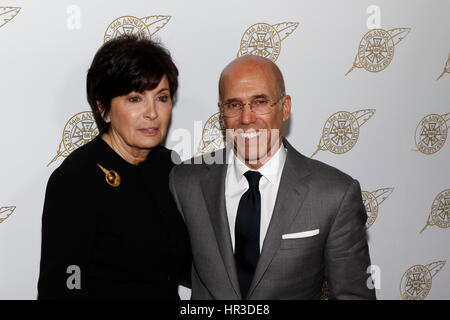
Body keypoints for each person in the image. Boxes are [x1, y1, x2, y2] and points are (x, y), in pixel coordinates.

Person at [169, 55, 376, 300]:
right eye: (234, 105)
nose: (247, 118)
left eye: (260, 102)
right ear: (221, 113)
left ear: (285, 107)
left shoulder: (334, 194)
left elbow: (353, 295)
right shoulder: (185, 182)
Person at [38, 34, 190, 299]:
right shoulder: (77, 179)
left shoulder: (169, 166)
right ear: (103, 108)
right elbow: (60, 288)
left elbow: (185, 265)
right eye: (135, 99)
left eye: (162, 97)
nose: (152, 112)